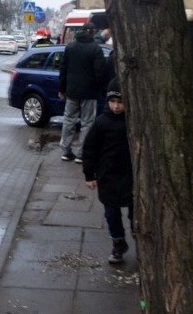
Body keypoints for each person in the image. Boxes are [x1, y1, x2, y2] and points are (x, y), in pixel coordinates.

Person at [81, 80, 134, 263]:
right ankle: (118, 243)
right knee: (112, 213)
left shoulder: (133, 122)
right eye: (113, 101)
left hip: (131, 176)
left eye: (121, 102)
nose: (117, 106)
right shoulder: (101, 123)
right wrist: (89, 175)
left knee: (135, 211)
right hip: (108, 176)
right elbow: (89, 149)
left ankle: (139, 237)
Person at [58, 22, 108, 163]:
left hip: (72, 91)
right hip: (89, 92)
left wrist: (62, 89)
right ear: (92, 32)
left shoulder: (70, 47)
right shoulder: (95, 49)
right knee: (87, 123)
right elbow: (100, 72)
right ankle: (81, 153)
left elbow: (63, 69)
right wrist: (101, 88)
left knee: (68, 120)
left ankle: (66, 151)